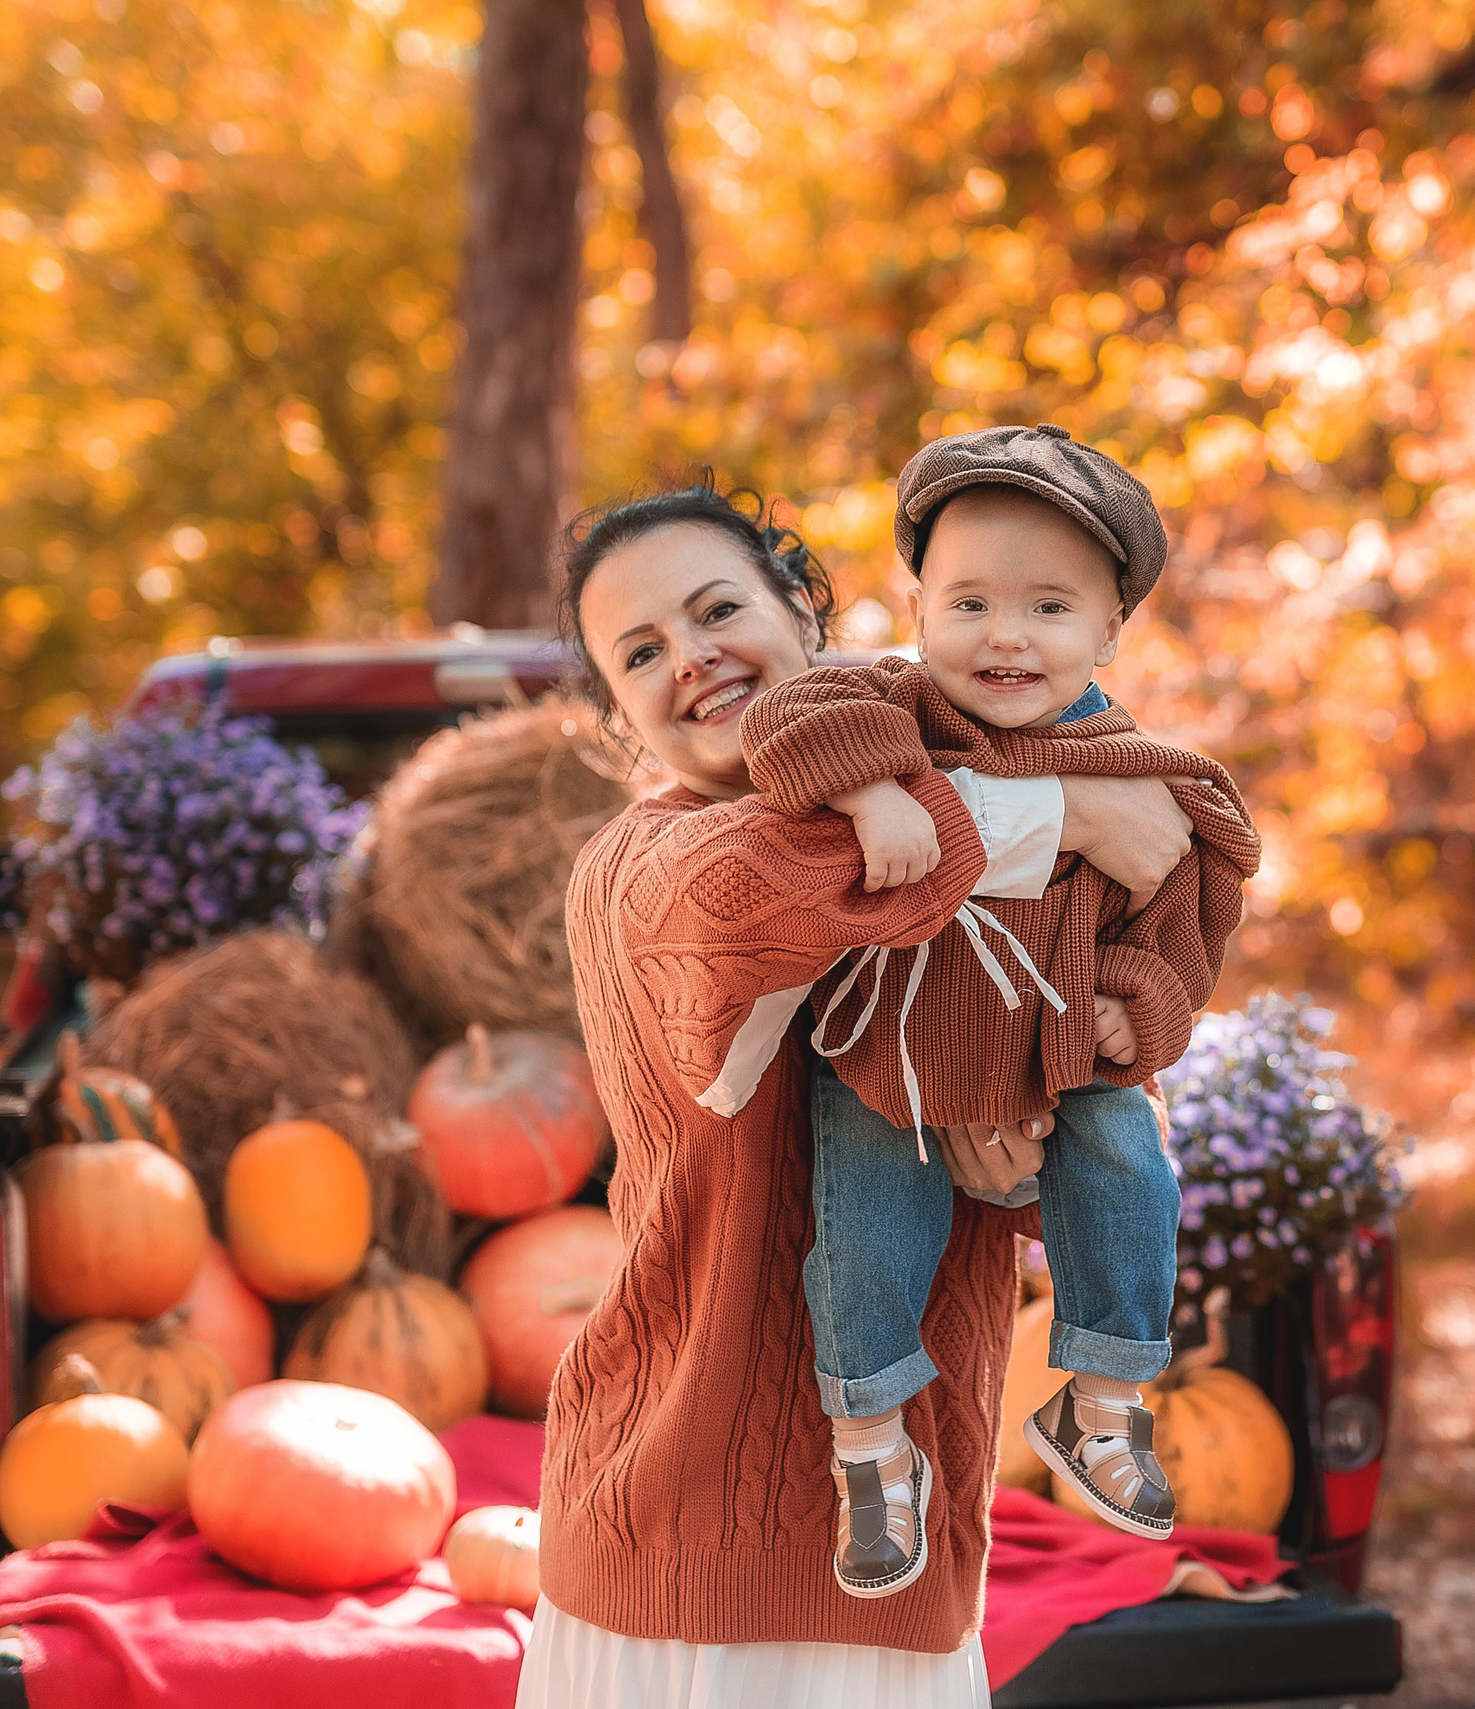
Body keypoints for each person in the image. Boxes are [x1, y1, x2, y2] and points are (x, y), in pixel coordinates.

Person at [521, 484, 1198, 1707]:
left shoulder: (964, 764)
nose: (692, 657)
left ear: (803, 609)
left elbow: (1090, 1102)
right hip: (676, 1543)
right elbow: (774, 881)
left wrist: (1019, 1154)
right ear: (620, 715)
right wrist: (1071, 809)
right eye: (640, 652)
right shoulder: (638, 867)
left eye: (717, 607)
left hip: (903, 1547)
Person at [738, 425, 1260, 1586]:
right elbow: (781, 724)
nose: (1005, 635)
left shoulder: (1141, 769)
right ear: (917, 608)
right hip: (894, 1056)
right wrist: (874, 788)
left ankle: (1104, 1398)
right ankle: (869, 1453)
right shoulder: (892, 706)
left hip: (1058, 1049)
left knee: (1131, 1160)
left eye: (1048, 607)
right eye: (967, 601)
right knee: (866, 1236)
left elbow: (1178, 929)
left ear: (1111, 628)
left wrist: (1141, 1006)